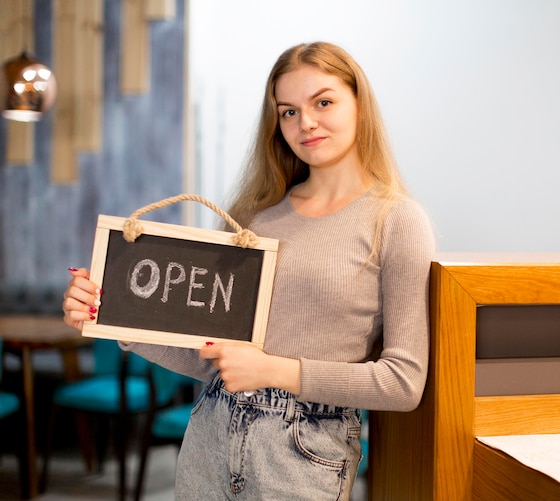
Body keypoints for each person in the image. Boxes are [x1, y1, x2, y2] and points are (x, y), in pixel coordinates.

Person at [62, 41, 436, 500]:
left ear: (359, 103)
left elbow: (403, 383)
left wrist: (273, 370)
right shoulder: (254, 219)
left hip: (304, 452)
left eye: (323, 102)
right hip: (210, 436)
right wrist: (111, 314)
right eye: (288, 112)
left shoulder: (396, 220)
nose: (307, 123)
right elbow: (213, 362)